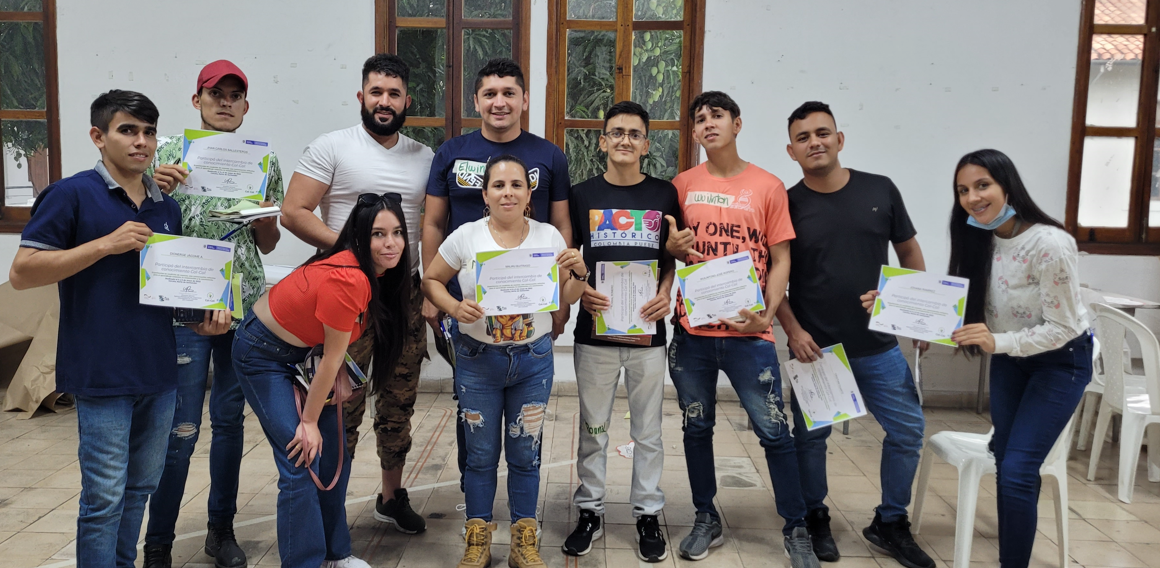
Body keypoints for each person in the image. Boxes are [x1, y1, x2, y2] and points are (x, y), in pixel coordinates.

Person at [9, 90, 231, 568]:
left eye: (148, 132)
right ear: (98, 136)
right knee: (104, 498)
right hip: (101, 370)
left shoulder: (164, 208)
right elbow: (23, 272)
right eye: (127, 130)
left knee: (139, 490)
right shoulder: (70, 194)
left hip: (159, 369)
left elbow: (166, 292)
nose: (142, 142)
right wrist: (104, 244)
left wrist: (206, 314)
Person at [664, 91, 819, 568]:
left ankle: (796, 528)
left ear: (737, 123)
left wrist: (768, 317)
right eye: (699, 119)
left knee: (774, 432)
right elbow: (672, 249)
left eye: (717, 116)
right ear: (693, 133)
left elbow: (781, 259)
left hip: (750, 338)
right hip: (692, 337)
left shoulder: (768, 186)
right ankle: (705, 516)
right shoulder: (682, 184)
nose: (708, 123)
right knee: (696, 429)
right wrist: (671, 245)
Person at [776, 101, 933, 568]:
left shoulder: (880, 190)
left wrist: (916, 312)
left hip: (878, 347)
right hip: (816, 350)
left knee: (907, 431)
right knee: (810, 439)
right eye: (803, 138)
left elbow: (909, 251)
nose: (815, 143)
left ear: (839, 139)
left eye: (822, 133)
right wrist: (794, 330)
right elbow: (772, 277)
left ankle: (890, 521)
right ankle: (815, 514)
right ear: (791, 150)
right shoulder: (786, 203)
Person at [281, 53, 433, 533]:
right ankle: (333, 505)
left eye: (393, 94)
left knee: (400, 395)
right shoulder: (333, 147)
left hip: (403, 295)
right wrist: (355, 251)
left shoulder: (423, 157)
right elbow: (294, 211)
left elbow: (430, 227)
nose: (384, 102)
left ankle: (391, 495)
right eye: (376, 92)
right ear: (361, 97)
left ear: (407, 100)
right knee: (340, 401)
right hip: (348, 293)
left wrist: (431, 286)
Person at [142, 60, 284, 568]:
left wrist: (265, 213)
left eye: (234, 94)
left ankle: (220, 532)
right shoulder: (165, 155)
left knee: (229, 424)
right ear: (197, 100)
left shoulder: (263, 162)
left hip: (241, 306)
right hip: (182, 303)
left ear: (246, 105)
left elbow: (266, 245)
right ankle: (157, 540)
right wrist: (158, 188)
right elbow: (141, 224)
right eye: (215, 93)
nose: (225, 101)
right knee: (180, 429)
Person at [232, 192, 412, 568]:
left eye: (397, 232)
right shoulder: (349, 278)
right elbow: (332, 357)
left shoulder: (377, 274)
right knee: (301, 457)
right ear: (360, 238)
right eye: (379, 234)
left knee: (334, 456)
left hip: (303, 355)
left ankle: (335, 555)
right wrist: (309, 422)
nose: (391, 243)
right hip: (262, 356)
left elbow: (331, 349)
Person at [422, 155, 585, 568]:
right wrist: (454, 308)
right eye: (498, 185)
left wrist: (579, 275)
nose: (508, 192)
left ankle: (523, 540)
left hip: (532, 359)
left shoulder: (549, 237)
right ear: (485, 194)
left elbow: (563, 298)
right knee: (479, 454)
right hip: (478, 360)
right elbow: (431, 280)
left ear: (529, 194)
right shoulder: (466, 236)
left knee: (525, 452)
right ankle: (477, 537)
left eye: (516, 185)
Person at [422, 57, 573, 492]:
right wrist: (435, 294)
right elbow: (433, 223)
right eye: (490, 93)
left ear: (524, 100)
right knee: (472, 409)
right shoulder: (451, 152)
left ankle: (514, 510)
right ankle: (476, 506)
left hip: (530, 306)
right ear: (476, 100)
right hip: (466, 306)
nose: (499, 102)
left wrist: (561, 303)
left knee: (524, 428)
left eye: (509, 93)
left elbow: (561, 229)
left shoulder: (548, 155)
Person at [936, 149, 1090, 568]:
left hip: (1061, 362)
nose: (972, 197)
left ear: (1008, 186)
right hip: (1011, 361)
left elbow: (1064, 328)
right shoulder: (979, 238)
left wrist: (998, 344)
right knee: (1008, 463)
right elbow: (958, 304)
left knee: (1020, 468)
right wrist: (890, 303)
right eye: (963, 190)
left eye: (982, 185)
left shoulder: (1050, 243)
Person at [561, 101, 680, 563]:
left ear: (646, 144)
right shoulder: (580, 194)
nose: (625, 140)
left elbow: (671, 258)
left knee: (648, 432)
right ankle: (589, 511)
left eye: (634, 133)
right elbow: (573, 259)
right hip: (595, 334)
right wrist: (582, 288)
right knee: (594, 428)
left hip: (649, 334)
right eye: (617, 132)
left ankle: (647, 512)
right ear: (603, 141)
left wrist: (667, 291)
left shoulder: (665, 194)